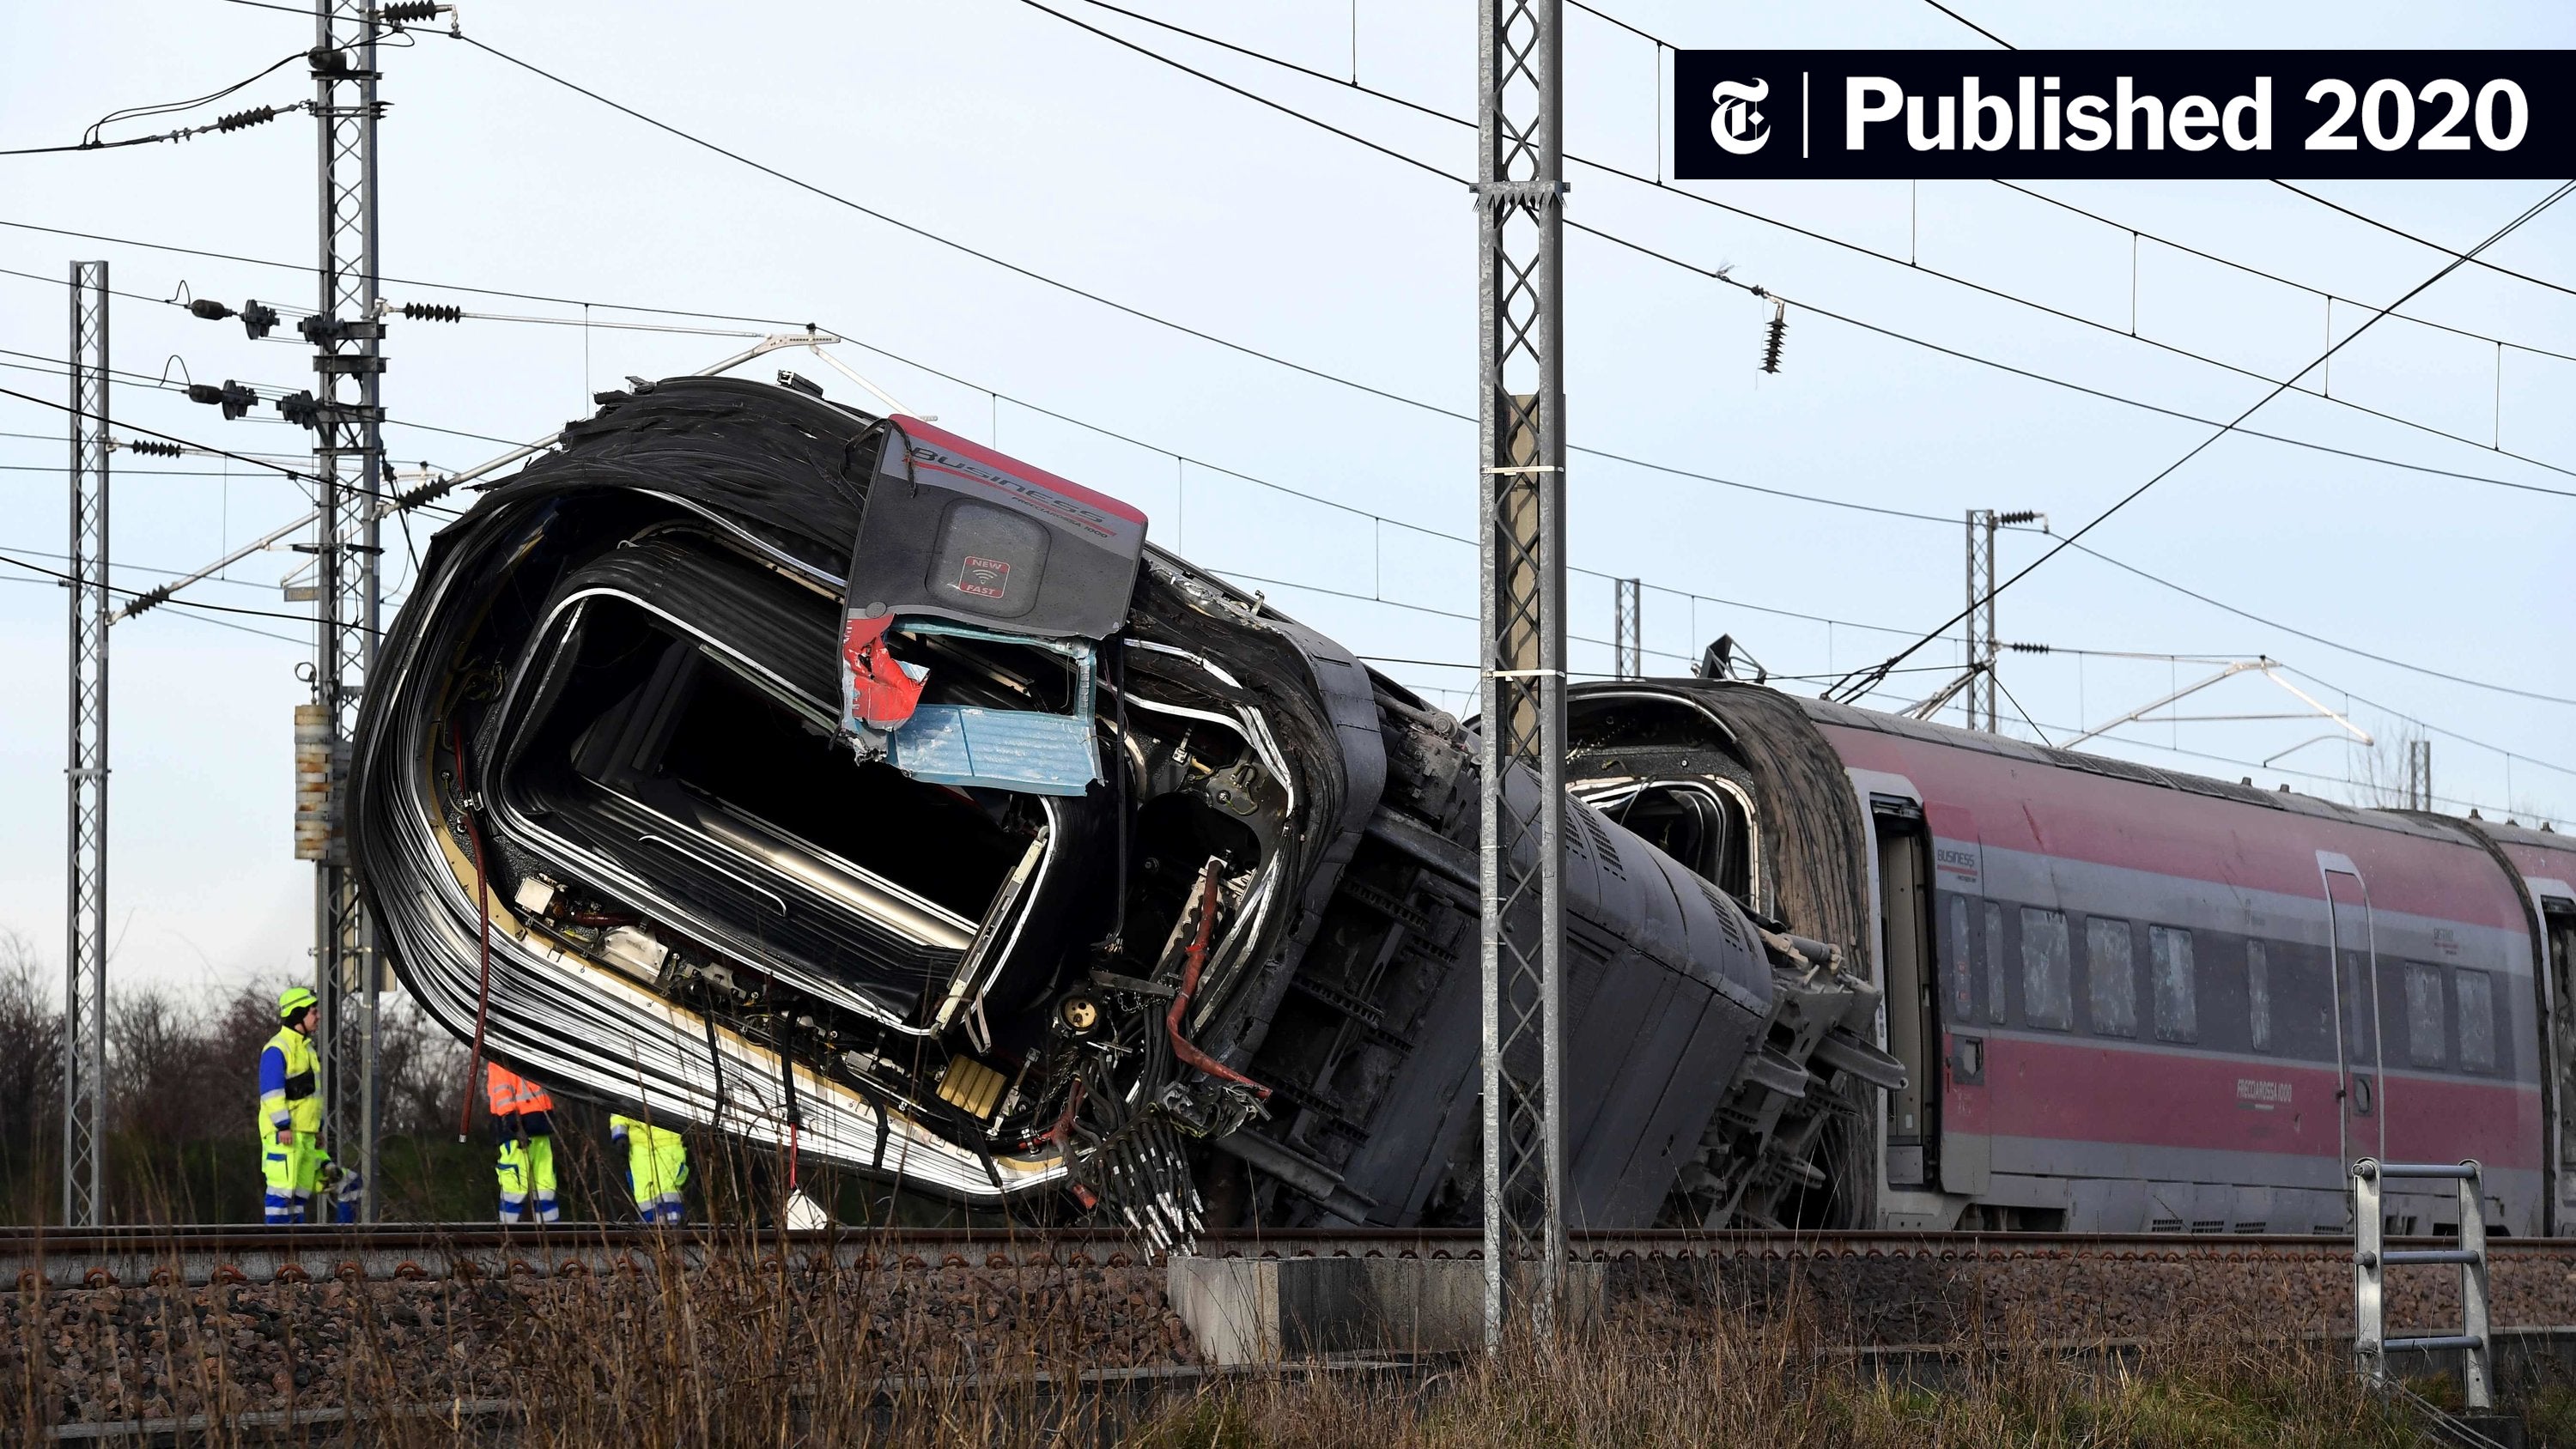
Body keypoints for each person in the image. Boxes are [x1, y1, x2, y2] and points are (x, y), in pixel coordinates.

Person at [257, 986, 325, 1225]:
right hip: (285, 1136)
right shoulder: (278, 1048)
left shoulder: (306, 1048)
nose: (318, 1017)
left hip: (304, 1136)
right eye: (313, 1012)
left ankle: (293, 1257)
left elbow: (312, 1096)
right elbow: (271, 1092)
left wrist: (317, 1128)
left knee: (298, 1199)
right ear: (298, 1014)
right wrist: (282, 1125)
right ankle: (274, 1257)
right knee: (280, 1196)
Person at [484, 1062, 561, 1224]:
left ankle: (553, 1235)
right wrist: (514, 1126)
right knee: (514, 1188)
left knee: (545, 1188)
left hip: (538, 1127)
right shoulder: (500, 1060)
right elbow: (502, 1096)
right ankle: (510, 1236)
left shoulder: (525, 1053)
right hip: (518, 1132)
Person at [608, 1113, 690, 1224]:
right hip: (643, 1147)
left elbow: (618, 1106)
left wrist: (619, 1136)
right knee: (646, 1195)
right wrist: (620, 1136)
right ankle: (657, 1234)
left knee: (664, 1193)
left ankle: (660, 1234)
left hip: (668, 1142)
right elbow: (618, 1107)